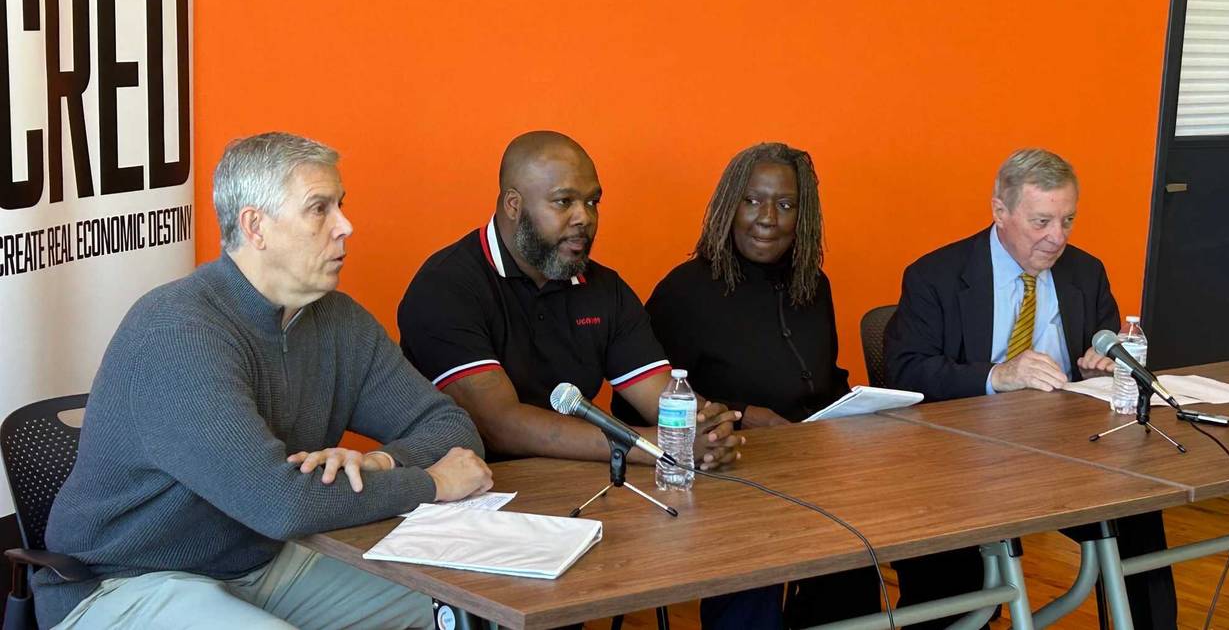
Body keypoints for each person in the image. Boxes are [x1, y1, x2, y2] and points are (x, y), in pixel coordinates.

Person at [35, 133, 492, 630]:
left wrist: (380, 461)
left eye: (341, 205)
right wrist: (430, 483)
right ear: (256, 226)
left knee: (473, 610)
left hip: (259, 565)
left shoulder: (338, 320)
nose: (345, 226)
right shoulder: (176, 329)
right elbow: (281, 503)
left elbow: (450, 427)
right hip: (124, 584)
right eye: (320, 209)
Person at [884, 148, 1176, 629]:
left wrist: (1105, 368)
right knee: (941, 551)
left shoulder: (1085, 271)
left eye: (1068, 220)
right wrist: (997, 375)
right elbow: (905, 369)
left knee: (1140, 512)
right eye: (1041, 221)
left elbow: (1105, 354)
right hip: (965, 461)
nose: (1056, 238)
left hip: (1070, 455)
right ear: (1000, 211)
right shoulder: (935, 275)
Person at [397, 130, 742, 468]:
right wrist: (658, 448)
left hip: (575, 483)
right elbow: (499, 425)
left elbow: (662, 398)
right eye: (564, 201)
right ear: (513, 204)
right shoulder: (445, 287)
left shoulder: (605, 288)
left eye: (593, 201)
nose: (584, 218)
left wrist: (708, 430)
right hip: (462, 493)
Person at [642, 142, 880, 629]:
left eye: (785, 204)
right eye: (752, 200)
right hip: (725, 473)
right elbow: (655, 401)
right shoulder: (684, 291)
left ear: (803, 216)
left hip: (811, 463)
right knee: (759, 556)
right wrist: (742, 413)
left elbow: (825, 379)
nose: (767, 217)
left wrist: (859, 408)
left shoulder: (814, 284)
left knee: (859, 541)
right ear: (729, 205)